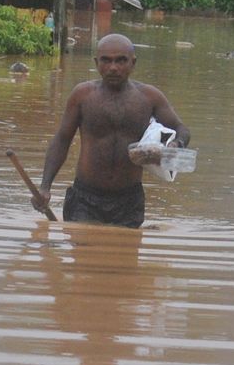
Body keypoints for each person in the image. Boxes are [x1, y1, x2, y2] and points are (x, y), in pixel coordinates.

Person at [32, 33, 190, 228]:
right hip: (85, 198)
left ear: (133, 63)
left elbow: (181, 129)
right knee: (82, 255)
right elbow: (62, 140)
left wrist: (175, 145)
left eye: (120, 61)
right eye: (106, 61)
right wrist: (45, 187)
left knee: (125, 257)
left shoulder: (149, 97)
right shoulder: (82, 95)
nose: (113, 67)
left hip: (128, 200)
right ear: (96, 63)